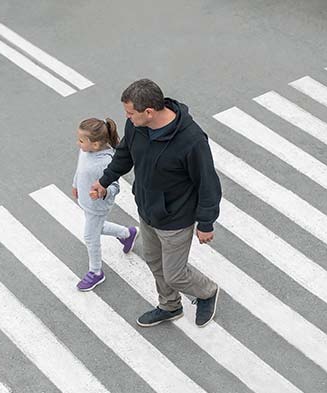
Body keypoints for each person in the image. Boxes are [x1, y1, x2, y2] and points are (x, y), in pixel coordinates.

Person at [89, 79, 222, 327]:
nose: (127, 118)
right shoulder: (137, 127)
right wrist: (105, 181)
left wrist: (206, 222)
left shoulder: (191, 140)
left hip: (176, 218)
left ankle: (207, 292)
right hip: (147, 210)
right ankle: (170, 306)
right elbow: (124, 155)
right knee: (154, 261)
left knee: (175, 274)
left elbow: (208, 183)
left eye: (130, 113)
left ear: (149, 112)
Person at [72, 117, 138, 291]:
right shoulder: (85, 151)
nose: (77, 143)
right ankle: (127, 234)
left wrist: (104, 191)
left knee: (90, 237)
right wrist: (75, 184)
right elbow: (80, 168)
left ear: (95, 145)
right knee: (97, 228)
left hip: (98, 205)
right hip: (86, 201)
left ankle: (96, 272)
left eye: (81, 140)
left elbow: (115, 186)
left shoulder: (106, 162)